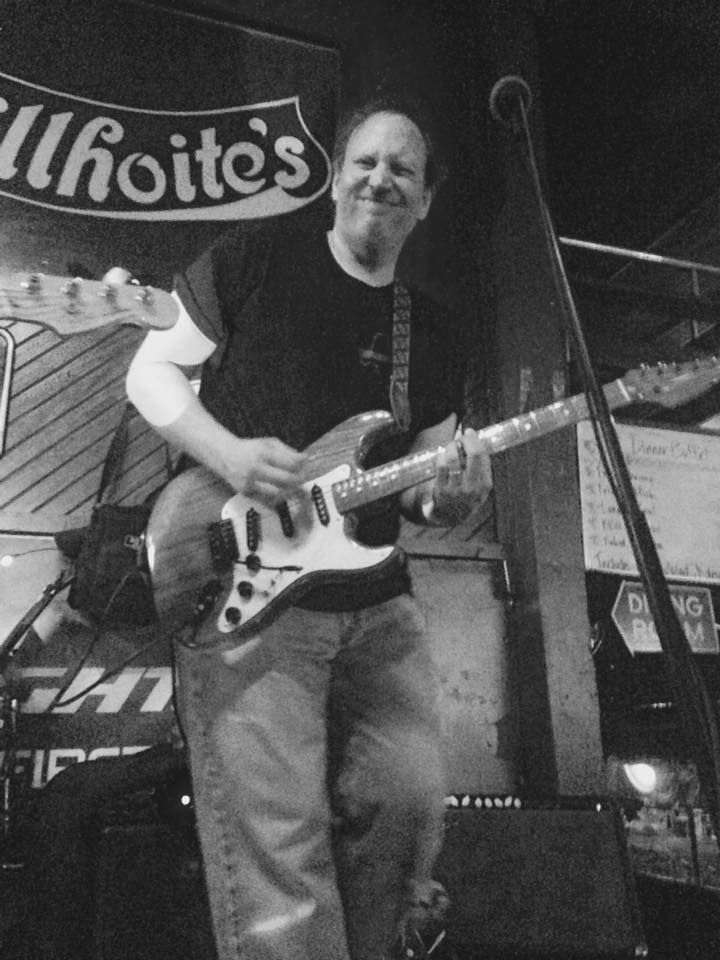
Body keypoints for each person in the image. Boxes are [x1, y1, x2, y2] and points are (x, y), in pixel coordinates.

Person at [125, 92, 492, 960]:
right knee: (280, 862)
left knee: (407, 805)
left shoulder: (429, 328)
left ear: (425, 200)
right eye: (365, 161)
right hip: (252, 593)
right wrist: (229, 454)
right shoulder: (255, 257)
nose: (382, 178)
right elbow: (151, 374)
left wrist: (451, 497)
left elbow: (423, 485)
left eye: (404, 168)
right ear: (334, 178)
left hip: (376, 599)